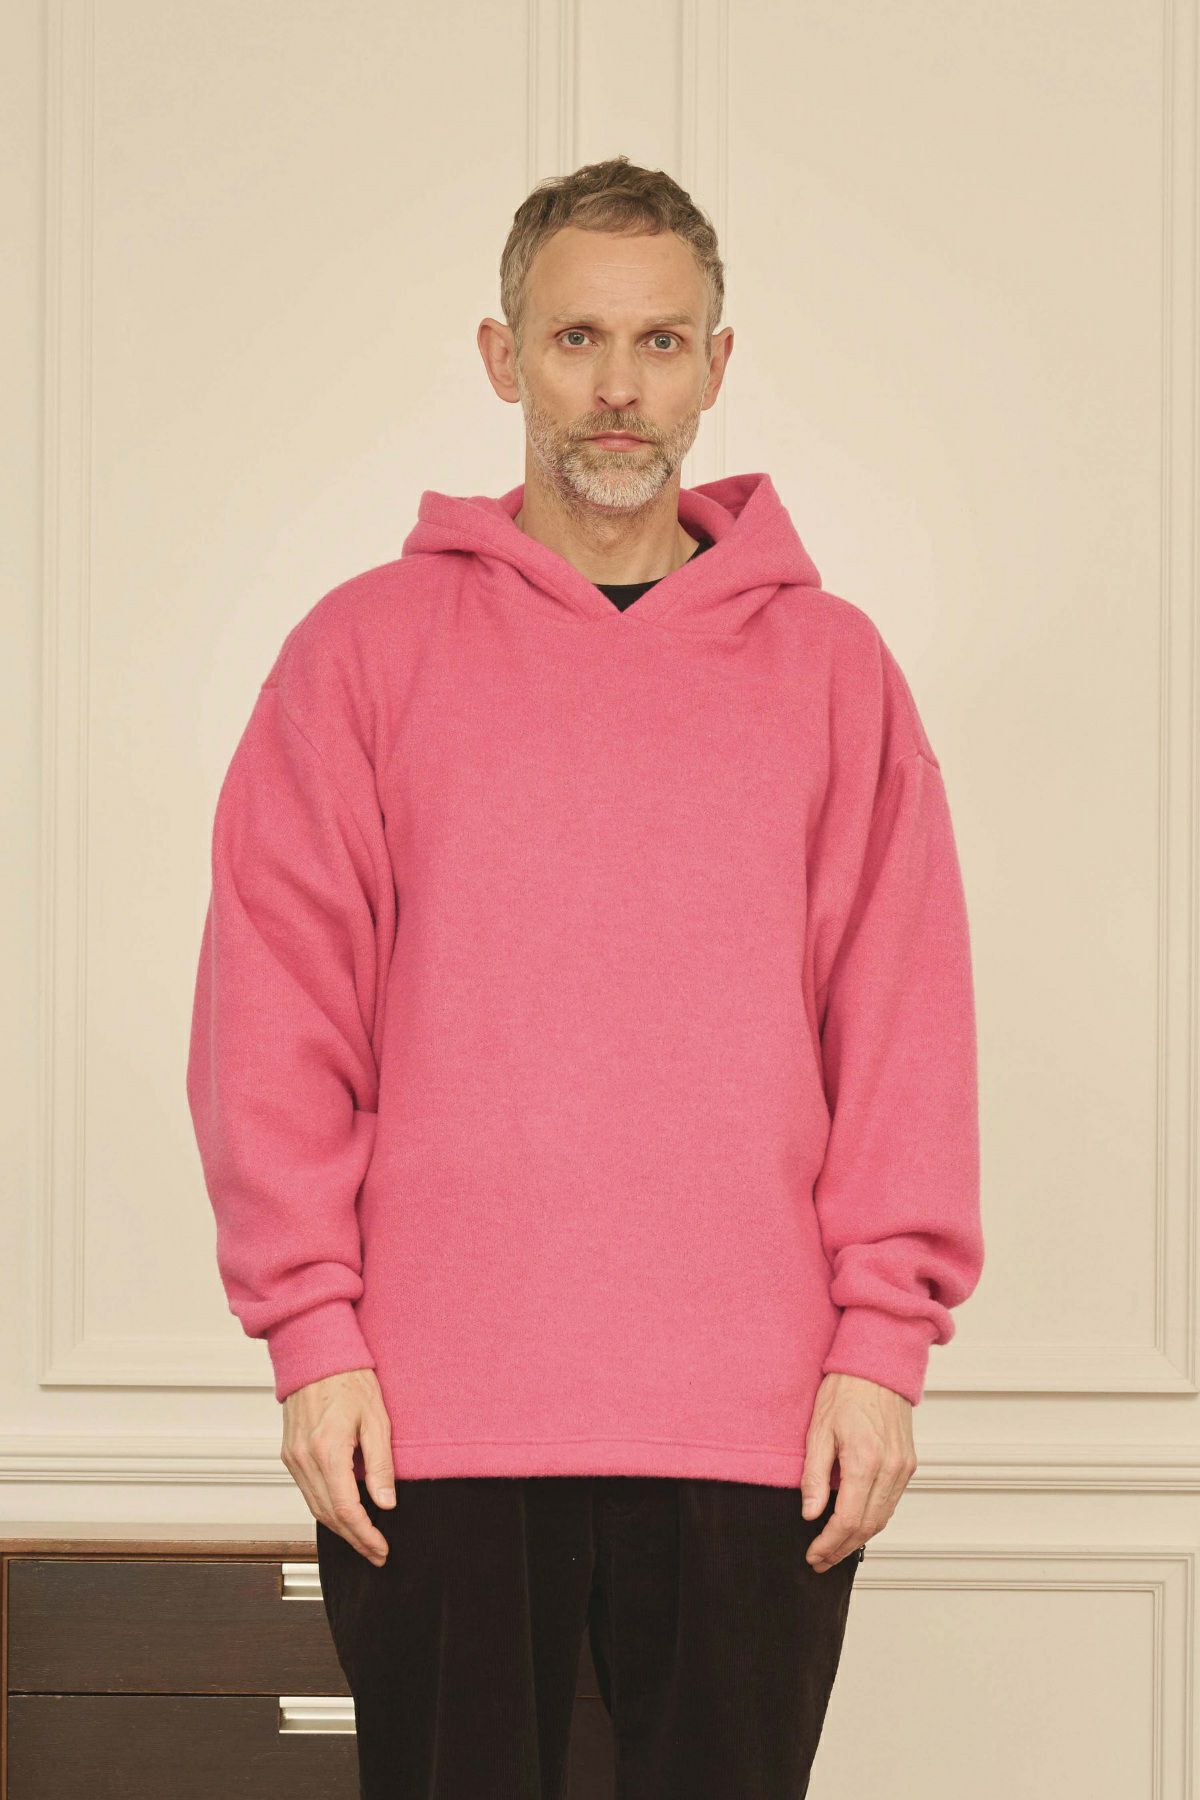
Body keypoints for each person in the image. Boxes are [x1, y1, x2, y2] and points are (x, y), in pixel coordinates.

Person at [185, 154, 984, 1799]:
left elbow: (903, 1032)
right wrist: (313, 1337)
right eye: (577, 339)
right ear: (505, 358)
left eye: (660, 342)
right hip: (431, 1424)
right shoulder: (362, 656)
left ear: (716, 365)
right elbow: (273, 1019)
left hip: (761, 1428)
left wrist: (880, 1347)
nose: (619, 387)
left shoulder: (834, 673)